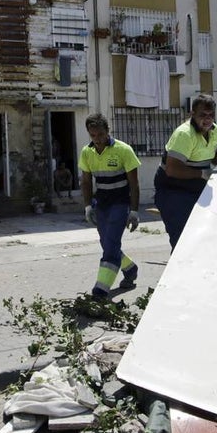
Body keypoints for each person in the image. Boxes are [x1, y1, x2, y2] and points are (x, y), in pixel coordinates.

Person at [153, 94, 217, 252]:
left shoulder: (214, 130)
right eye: (202, 115)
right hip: (173, 191)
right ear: (192, 114)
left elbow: (215, 155)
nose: (207, 119)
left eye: (211, 115)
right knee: (183, 240)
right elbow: (172, 169)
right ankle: (179, 267)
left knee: (203, 238)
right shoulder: (184, 134)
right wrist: (202, 174)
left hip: (197, 189)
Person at [79, 113, 141, 299]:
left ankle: (101, 289)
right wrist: (88, 206)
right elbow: (86, 182)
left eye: (100, 134)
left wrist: (134, 211)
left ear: (108, 131)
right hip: (102, 205)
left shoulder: (124, 150)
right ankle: (130, 269)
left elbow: (134, 184)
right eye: (93, 135)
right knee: (107, 243)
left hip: (120, 204)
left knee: (111, 244)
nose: (97, 139)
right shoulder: (87, 152)